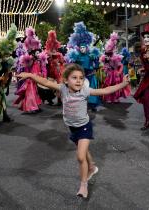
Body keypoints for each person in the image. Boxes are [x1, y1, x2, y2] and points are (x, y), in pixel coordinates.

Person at [17, 63, 130, 198]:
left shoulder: (85, 91)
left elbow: (105, 90)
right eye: (74, 77)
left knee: (80, 156)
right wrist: (29, 75)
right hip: (72, 127)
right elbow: (45, 81)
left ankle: (83, 185)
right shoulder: (63, 89)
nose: (78, 81)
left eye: (81, 78)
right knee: (84, 149)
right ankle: (92, 167)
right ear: (66, 80)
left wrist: (123, 84)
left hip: (84, 126)